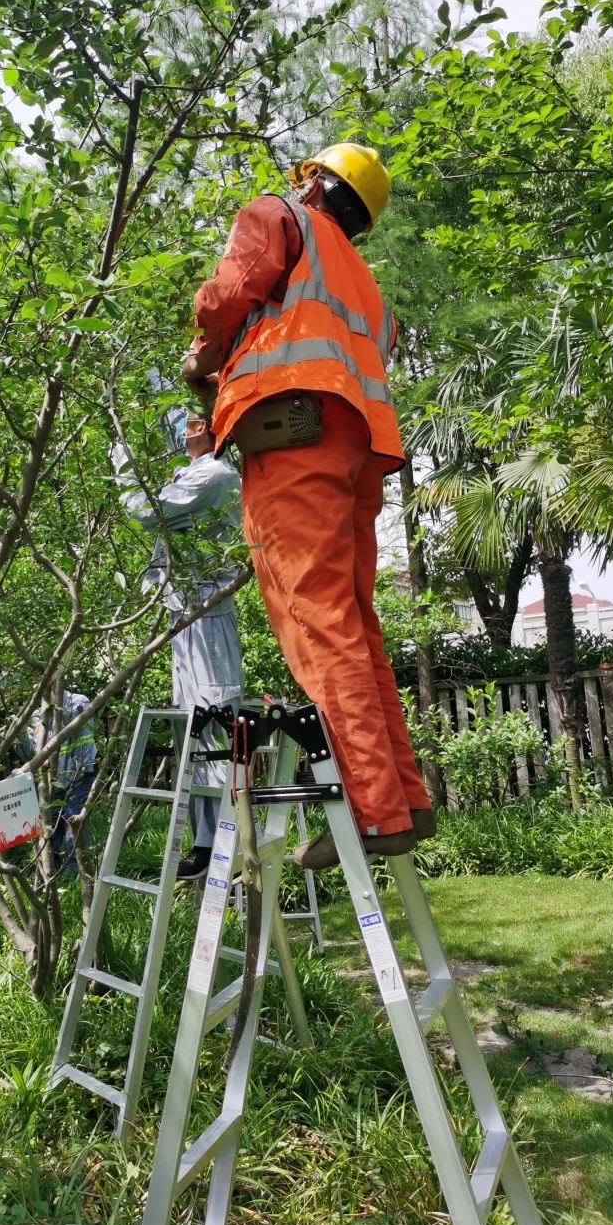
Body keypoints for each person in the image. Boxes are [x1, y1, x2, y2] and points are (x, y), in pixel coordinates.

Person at [183, 141, 435, 867]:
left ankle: (371, 811)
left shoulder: (277, 214)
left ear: (312, 182)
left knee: (314, 618)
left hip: (295, 441)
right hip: (356, 449)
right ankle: (403, 800)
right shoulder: (361, 281)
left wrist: (204, 357)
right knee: (353, 621)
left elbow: (226, 295)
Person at [113, 411, 244, 881]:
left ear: (213, 430)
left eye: (191, 422)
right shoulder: (194, 471)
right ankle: (205, 841)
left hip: (207, 613)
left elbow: (148, 512)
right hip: (186, 612)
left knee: (212, 722)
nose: (181, 428)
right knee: (195, 728)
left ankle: (222, 843)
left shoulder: (213, 473)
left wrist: (124, 463)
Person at [29, 686, 98, 874]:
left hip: (80, 776)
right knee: (49, 832)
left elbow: (75, 719)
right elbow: (31, 752)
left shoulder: (78, 701)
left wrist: (50, 713)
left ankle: (78, 877)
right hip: (53, 782)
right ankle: (52, 878)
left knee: (73, 827)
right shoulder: (35, 716)